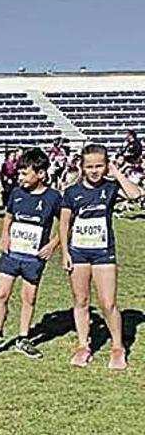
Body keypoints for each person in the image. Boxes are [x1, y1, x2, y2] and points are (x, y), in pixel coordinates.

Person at [60, 144, 141, 370]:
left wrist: (115, 173)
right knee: (81, 300)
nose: (95, 170)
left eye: (99, 165)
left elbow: (136, 194)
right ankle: (83, 345)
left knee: (108, 303)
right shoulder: (71, 192)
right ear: (82, 167)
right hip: (78, 253)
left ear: (106, 165)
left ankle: (117, 347)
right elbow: (64, 224)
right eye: (90, 166)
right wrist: (65, 252)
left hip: (103, 253)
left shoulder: (111, 187)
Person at [0, 148, 62, 359]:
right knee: (1, 294)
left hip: (33, 258)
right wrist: (4, 235)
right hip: (11, 254)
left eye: (25, 173)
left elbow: (66, 224)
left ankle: (23, 337)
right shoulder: (16, 193)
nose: (20, 177)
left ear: (41, 174)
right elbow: (8, 216)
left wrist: (53, 244)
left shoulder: (53, 197)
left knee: (29, 297)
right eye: (19, 173)